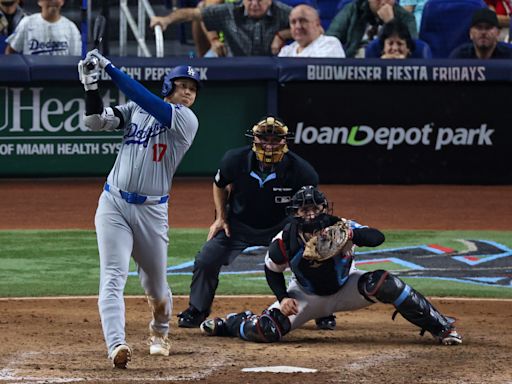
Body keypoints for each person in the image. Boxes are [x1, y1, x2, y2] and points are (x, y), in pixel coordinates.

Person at [199, 186, 463, 346]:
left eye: (315, 208)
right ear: (295, 213)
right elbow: (272, 269)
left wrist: (351, 235)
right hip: (306, 297)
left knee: (384, 282)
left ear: (324, 208)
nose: (310, 213)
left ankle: (442, 327)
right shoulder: (284, 240)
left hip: (346, 288)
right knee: (264, 330)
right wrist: (282, 298)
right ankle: (234, 322)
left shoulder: (341, 225)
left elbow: (377, 237)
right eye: (304, 210)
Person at [77, 49, 202, 368]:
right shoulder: (136, 110)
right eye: (182, 84)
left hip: (152, 212)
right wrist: (91, 87)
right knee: (112, 276)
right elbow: (93, 121)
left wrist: (109, 68)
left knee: (156, 286)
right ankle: (116, 344)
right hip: (114, 204)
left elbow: (142, 96)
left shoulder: (186, 120)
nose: (187, 91)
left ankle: (160, 332)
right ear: (168, 86)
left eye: (192, 88)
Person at [176, 116, 322, 329]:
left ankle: (322, 310)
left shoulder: (302, 171)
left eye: (275, 139)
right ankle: (197, 310)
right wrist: (220, 218)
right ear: (254, 139)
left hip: (283, 226)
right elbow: (219, 184)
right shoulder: (234, 160)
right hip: (239, 225)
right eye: (264, 139)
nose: (269, 145)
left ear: (285, 141)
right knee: (206, 259)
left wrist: (306, 232)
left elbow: (312, 205)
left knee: (313, 259)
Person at [150, 0, 292, 56]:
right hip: (231, 61)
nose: (254, 4)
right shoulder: (229, 11)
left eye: (259, 0)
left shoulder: (283, 12)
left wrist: (282, 35)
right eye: (250, 0)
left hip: (271, 68)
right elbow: (193, 14)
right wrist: (166, 19)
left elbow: (312, 27)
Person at [326, 0, 417, 58]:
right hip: (355, 62)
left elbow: (413, 47)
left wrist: (390, 22)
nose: (383, 2)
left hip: (388, 63)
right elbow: (330, 39)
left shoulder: (406, 17)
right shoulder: (353, 9)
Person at [5, 0, 81, 55]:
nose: (53, 1)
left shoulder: (71, 28)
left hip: (61, 75)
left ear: (62, 2)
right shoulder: (27, 23)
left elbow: (76, 59)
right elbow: (10, 50)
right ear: (39, 2)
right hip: (33, 75)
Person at [278, 4, 345, 57]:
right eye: (293, 22)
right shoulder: (286, 51)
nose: (298, 26)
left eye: (303, 21)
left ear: (317, 23)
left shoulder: (330, 44)